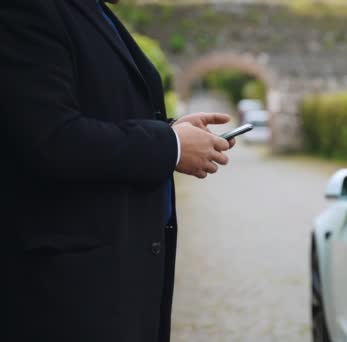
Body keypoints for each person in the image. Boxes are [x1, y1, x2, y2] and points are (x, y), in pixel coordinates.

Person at [0, 0, 235, 341]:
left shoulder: (92, 10)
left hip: (116, 280)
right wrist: (171, 146)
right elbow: (51, 138)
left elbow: (101, 111)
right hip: (69, 296)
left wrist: (172, 130)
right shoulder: (29, 9)